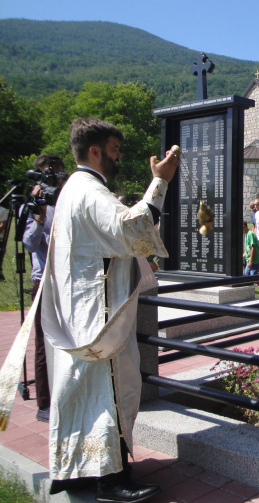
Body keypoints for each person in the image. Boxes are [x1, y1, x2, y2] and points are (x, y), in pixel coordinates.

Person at [40, 118, 179, 502]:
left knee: (80, 392)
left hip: (77, 313)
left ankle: (77, 472)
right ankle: (112, 479)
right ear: (95, 151)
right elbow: (131, 230)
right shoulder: (90, 191)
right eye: (115, 150)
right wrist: (161, 181)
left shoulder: (72, 188)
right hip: (100, 318)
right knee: (112, 389)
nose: (119, 157)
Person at [22, 154, 67, 423]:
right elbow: (29, 243)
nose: (55, 180)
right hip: (43, 280)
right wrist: (39, 219)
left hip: (65, 278)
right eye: (49, 175)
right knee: (44, 343)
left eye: (58, 175)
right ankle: (44, 402)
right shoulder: (33, 204)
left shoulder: (63, 201)